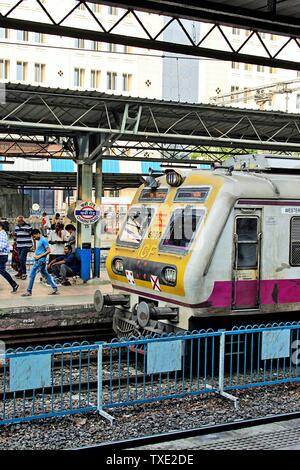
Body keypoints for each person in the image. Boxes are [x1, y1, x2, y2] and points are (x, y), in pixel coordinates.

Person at [21, 229, 58, 297]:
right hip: (40, 261)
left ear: (38, 233)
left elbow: (48, 251)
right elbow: (35, 248)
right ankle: (55, 288)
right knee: (46, 275)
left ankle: (29, 291)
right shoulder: (39, 240)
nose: (34, 238)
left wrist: (38, 257)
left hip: (40, 261)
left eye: (34, 236)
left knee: (32, 275)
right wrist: (34, 241)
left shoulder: (43, 240)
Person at [0, 221, 19, 293]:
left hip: (1, 255)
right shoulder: (2, 233)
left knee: (2, 270)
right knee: (2, 270)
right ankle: (14, 284)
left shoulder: (2, 234)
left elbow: (1, 246)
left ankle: (14, 284)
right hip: (2, 255)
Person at [14, 215, 33, 280]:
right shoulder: (16, 226)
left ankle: (24, 273)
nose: (18, 222)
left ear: (23, 220)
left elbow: (31, 233)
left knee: (21, 259)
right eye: (18, 221)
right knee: (20, 259)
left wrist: (22, 227)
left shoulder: (28, 226)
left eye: (20, 221)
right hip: (19, 245)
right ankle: (21, 272)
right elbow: (16, 235)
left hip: (26, 245)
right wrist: (15, 240)